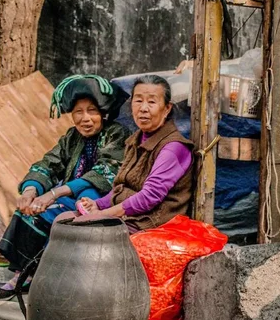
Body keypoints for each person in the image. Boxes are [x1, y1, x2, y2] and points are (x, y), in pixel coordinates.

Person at [0, 75, 130, 300]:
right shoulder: (71, 137)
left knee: (76, 204)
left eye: (92, 110)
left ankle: (47, 275)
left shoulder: (117, 134)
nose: (85, 118)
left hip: (98, 199)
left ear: (102, 113)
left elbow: (106, 172)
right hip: (66, 197)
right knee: (30, 214)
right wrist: (31, 190)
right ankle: (24, 273)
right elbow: (49, 163)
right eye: (78, 112)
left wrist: (53, 193)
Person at [79, 75, 194, 232]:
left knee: (84, 232)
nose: (143, 108)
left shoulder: (174, 147)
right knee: (63, 220)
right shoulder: (135, 141)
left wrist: (103, 214)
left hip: (152, 223)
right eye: (138, 101)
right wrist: (98, 204)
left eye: (152, 102)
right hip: (130, 217)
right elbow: (122, 188)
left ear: (167, 109)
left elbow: (149, 196)